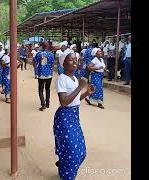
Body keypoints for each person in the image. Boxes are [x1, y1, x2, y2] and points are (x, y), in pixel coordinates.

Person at [54, 49, 95, 180]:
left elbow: (75, 100)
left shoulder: (74, 79)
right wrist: (80, 87)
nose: (75, 62)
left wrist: (86, 93)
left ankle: (63, 165)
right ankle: (66, 176)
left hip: (74, 116)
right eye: (71, 60)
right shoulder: (62, 79)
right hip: (64, 117)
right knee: (72, 151)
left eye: (76, 60)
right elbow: (64, 102)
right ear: (63, 63)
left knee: (80, 151)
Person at [34, 41, 54, 111]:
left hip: (41, 74)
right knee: (47, 89)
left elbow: (35, 63)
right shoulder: (51, 54)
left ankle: (43, 105)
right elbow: (52, 64)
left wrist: (36, 72)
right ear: (48, 46)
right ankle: (47, 103)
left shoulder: (38, 54)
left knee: (40, 90)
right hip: (49, 74)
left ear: (42, 46)